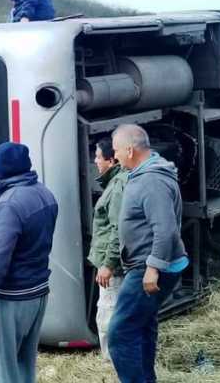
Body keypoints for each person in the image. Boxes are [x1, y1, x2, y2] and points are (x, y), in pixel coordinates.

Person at [0, 142, 58, 383]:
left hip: (12, 299)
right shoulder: (44, 194)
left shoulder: (8, 205)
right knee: (23, 366)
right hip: (37, 294)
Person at [107, 124, 188, 383]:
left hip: (148, 267)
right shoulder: (147, 173)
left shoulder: (151, 181)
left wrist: (153, 268)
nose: (115, 156)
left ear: (130, 150)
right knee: (142, 325)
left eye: (117, 150)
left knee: (120, 333)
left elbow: (165, 229)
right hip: (148, 264)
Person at [88, 138, 129, 362]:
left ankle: (114, 364)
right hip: (114, 265)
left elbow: (118, 228)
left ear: (111, 160)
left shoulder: (118, 186)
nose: (95, 161)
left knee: (108, 316)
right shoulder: (117, 182)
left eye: (97, 157)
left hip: (114, 268)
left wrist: (108, 264)